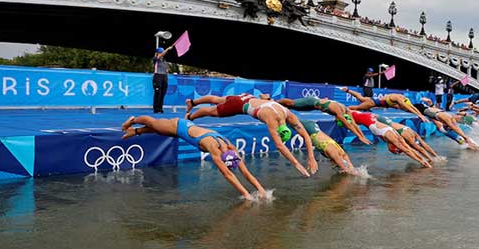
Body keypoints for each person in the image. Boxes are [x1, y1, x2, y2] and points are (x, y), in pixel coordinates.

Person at [120, 115, 267, 200]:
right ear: (223, 157)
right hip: (178, 125)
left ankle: (136, 131)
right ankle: (133, 120)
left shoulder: (230, 148)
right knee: (154, 124)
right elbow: (227, 174)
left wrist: (262, 191)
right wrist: (246, 195)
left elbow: (246, 173)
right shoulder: (213, 148)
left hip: (185, 129)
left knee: (160, 131)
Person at [350, 110, 432, 168]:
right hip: (371, 120)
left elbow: (408, 150)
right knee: (408, 147)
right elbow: (407, 150)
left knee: (408, 147)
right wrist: (421, 161)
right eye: (392, 150)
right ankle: (428, 159)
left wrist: (421, 160)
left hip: (371, 118)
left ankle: (428, 159)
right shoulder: (392, 138)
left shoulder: (393, 137)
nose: (389, 149)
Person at [277, 96, 372, 144]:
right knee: (291, 103)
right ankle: (273, 102)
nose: (337, 118)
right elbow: (347, 124)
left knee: (293, 108)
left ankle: (276, 106)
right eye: (338, 119)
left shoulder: (347, 110)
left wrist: (362, 136)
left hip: (314, 107)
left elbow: (353, 124)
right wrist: (358, 136)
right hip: (311, 101)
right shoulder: (337, 110)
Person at [341, 87, 428, 123]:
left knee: (361, 98)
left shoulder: (404, 99)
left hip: (374, 101)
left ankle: (348, 90)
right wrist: (419, 115)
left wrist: (420, 114)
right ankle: (341, 109)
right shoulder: (398, 99)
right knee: (357, 107)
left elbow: (411, 107)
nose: (403, 108)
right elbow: (408, 107)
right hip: (372, 103)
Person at [152, 44, 174, 113]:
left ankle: (160, 108)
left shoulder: (164, 60)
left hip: (164, 76)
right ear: (157, 53)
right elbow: (159, 56)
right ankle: (156, 108)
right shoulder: (155, 59)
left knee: (163, 93)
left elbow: (168, 68)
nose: (162, 53)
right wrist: (167, 49)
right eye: (161, 52)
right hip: (158, 76)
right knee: (158, 92)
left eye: (162, 52)